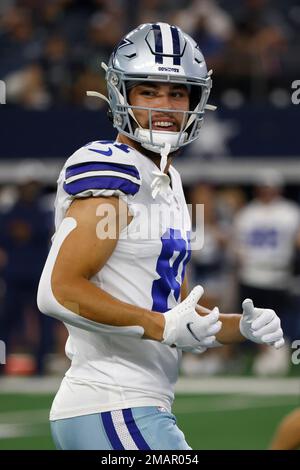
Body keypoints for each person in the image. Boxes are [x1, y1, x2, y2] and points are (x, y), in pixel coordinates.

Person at [37, 22, 284, 450]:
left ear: (196, 100)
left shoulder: (169, 180)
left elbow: (175, 311)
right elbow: (57, 292)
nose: (164, 106)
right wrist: (162, 325)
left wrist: (236, 327)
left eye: (177, 93)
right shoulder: (113, 168)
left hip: (133, 406)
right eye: (148, 92)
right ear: (121, 94)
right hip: (112, 403)